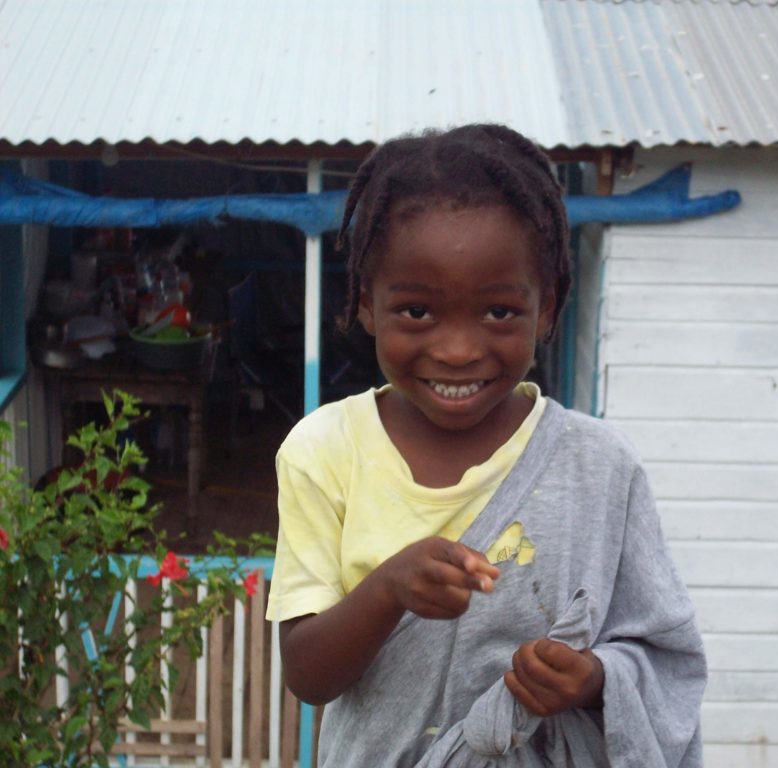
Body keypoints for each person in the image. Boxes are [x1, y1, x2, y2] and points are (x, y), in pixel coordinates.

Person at [265, 124, 706, 767]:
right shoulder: (324, 451)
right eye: (417, 311)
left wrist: (591, 679)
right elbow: (308, 675)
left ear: (547, 308)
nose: (458, 349)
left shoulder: (599, 468)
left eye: (498, 312)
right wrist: (388, 589)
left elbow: (664, 657)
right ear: (365, 304)